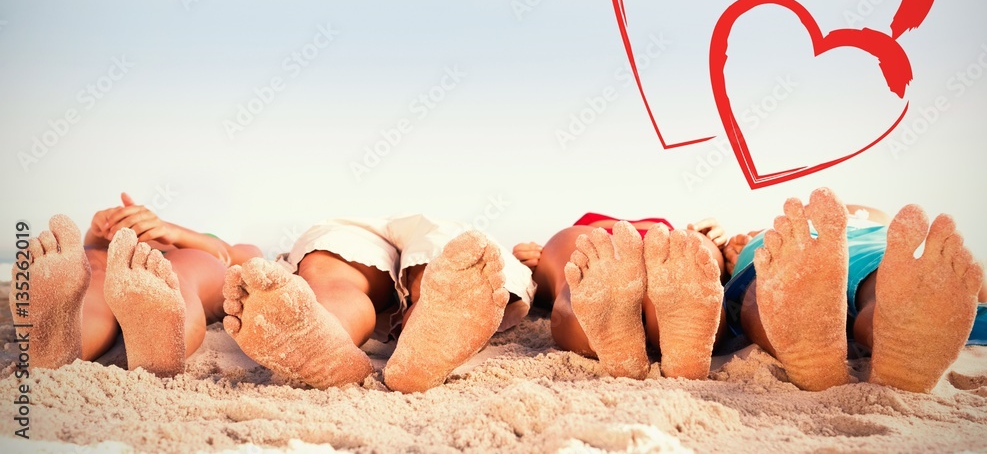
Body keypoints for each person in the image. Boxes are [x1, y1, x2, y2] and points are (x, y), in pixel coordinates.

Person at [724, 187, 987, 393]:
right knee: (885, 288)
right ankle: (884, 336)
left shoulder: (773, 242)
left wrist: (736, 247)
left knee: (762, 296)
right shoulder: (870, 221)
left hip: (805, 260)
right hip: (871, 251)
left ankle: (816, 367)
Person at [222, 214, 535, 393]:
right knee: (446, 268)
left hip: (351, 225)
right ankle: (421, 336)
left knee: (330, 275)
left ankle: (332, 324)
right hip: (439, 226)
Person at [10, 193, 263, 377]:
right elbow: (93, 242)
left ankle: (158, 343)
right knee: (90, 272)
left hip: (169, 260)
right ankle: (59, 343)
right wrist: (104, 227)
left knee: (178, 274)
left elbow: (239, 256)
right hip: (109, 257)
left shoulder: (203, 240)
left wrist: (169, 231)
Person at [513, 213, 730, 380]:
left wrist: (523, 270)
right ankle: (684, 343)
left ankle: (597, 335)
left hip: (596, 241)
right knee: (692, 251)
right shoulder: (674, 232)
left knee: (576, 269)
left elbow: (537, 292)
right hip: (669, 247)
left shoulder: (590, 229)